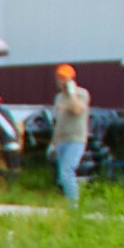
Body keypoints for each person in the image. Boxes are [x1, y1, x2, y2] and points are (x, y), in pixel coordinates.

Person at [52, 63, 92, 202]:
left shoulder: (82, 94)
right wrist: (53, 143)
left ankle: (74, 206)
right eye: (59, 78)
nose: (61, 81)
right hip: (61, 140)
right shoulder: (58, 98)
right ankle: (69, 200)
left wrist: (71, 93)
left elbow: (78, 109)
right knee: (62, 176)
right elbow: (58, 122)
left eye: (64, 78)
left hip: (76, 139)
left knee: (67, 172)